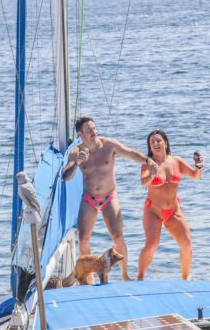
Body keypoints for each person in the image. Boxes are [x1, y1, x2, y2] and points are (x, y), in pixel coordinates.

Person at [63, 116, 158, 281]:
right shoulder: (76, 152)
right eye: (88, 130)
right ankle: (88, 278)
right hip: (89, 199)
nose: (93, 132)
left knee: (118, 236)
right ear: (80, 134)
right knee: (83, 240)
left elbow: (130, 153)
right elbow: (66, 176)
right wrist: (77, 163)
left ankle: (125, 275)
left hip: (109, 197)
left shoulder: (108, 145)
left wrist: (148, 160)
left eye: (94, 128)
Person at [137, 130, 203, 280]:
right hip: (153, 210)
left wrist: (199, 166)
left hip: (173, 210)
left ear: (165, 143)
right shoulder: (148, 164)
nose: (155, 144)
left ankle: (185, 279)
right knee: (152, 245)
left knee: (186, 243)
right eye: (152, 142)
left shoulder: (176, 161)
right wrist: (152, 174)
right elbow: (143, 182)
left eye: (158, 140)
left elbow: (195, 176)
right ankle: (139, 279)